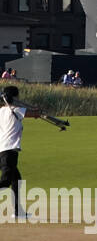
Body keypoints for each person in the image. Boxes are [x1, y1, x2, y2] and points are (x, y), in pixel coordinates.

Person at [1, 85, 55, 216]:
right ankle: (17, 211)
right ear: (15, 97)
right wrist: (37, 110)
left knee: (16, 180)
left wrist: (34, 111)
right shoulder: (16, 110)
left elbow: (30, 113)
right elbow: (35, 114)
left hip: (3, 150)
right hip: (9, 151)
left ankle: (17, 211)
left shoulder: (2, 111)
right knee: (6, 181)